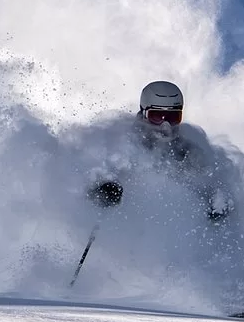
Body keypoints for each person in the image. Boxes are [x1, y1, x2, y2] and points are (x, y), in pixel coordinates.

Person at [87, 80, 233, 222]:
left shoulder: (187, 152)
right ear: (143, 113)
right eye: (157, 117)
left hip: (168, 229)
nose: (166, 125)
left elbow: (207, 183)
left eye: (173, 117)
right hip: (124, 227)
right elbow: (93, 177)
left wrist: (216, 204)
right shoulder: (123, 142)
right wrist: (103, 190)